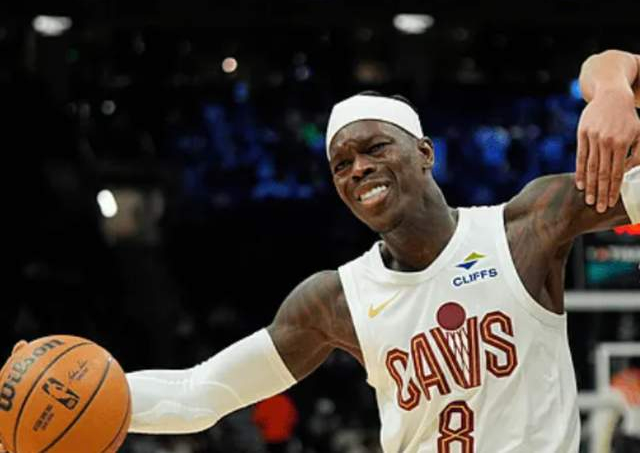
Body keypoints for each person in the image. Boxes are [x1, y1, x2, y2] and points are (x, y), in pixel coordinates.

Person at [1, 50, 639, 452]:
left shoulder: (525, 226)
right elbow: (202, 393)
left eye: (375, 148)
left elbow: (611, 62)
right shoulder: (335, 300)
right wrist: (60, 396)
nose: (358, 168)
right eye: (341, 163)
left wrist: (611, 88)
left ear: (424, 152)